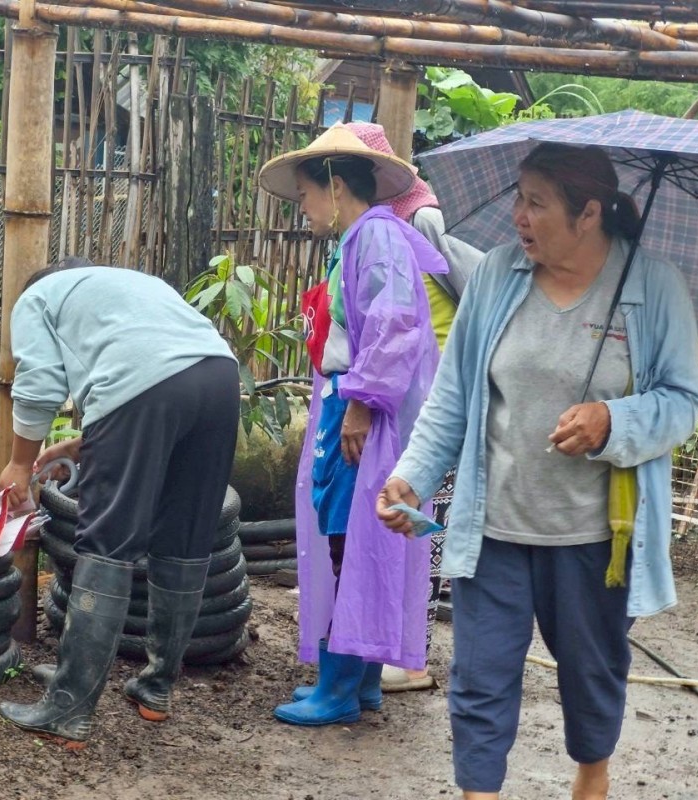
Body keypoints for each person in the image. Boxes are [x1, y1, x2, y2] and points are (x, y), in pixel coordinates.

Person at [377, 143, 698, 799]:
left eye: (536, 203)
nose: (519, 217)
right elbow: (454, 396)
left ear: (588, 213)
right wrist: (411, 473)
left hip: (593, 543)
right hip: (494, 528)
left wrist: (614, 420)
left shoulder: (651, 285)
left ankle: (592, 775)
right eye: (517, 198)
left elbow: (682, 404)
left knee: (591, 680)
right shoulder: (498, 275)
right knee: (479, 683)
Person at [0, 257, 240, 743]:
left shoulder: (37, 297)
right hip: (219, 380)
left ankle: (69, 707)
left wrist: (20, 463)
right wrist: (84, 442)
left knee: (108, 545)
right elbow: (163, 366)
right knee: (186, 538)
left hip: (146, 388)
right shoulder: (134, 284)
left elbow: (40, 381)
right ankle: (156, 687)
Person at [257, 123, 449, 726]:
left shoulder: (376, 237)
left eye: (308, 195)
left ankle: (338, 688)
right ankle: (361, 680)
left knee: (349, 539)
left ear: (337, 187)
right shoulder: (364, 239)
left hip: (363, 407)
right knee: (362, 539)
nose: (304, 208)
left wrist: (361, 404)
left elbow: (391, 324)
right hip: (355, 400)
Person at [344, 121, 483, 694]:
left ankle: (414, 655)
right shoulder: (378, 227)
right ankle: (398, 648)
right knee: (406, 507)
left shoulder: (418, 217)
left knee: (418, 511)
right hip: (416, 374)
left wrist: (442, 365)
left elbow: (452, 289)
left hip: (433, 374)